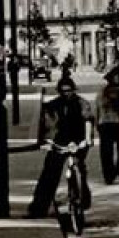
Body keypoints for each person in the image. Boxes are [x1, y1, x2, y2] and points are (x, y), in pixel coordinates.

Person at [27, 76, 96, 218]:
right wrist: (45, 142)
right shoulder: (53, 106)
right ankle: (39, 208)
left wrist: (87, 140)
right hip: (59, 143)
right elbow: (46, 125)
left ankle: (83, 199)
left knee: (79, 168)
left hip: (78, 142)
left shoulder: (82, 103)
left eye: (69, 91)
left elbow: (88, 120)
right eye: (63, 91)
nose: (66, 94)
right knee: (50, 174)